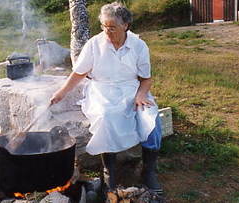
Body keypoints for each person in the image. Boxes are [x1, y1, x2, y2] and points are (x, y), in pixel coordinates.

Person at [50, 2, 163, 195]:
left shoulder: (138, 45)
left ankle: (148, 171)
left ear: (125, 25)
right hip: (102, 89)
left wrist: (141, 95)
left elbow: (146, 79)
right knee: (106, 117)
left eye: (111, 28)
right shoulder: (95, 44)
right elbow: (78, 73)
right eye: (103, 26)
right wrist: (62, 92)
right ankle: (109, 171)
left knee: (151, 120)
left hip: (131, 89)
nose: (106, 32)